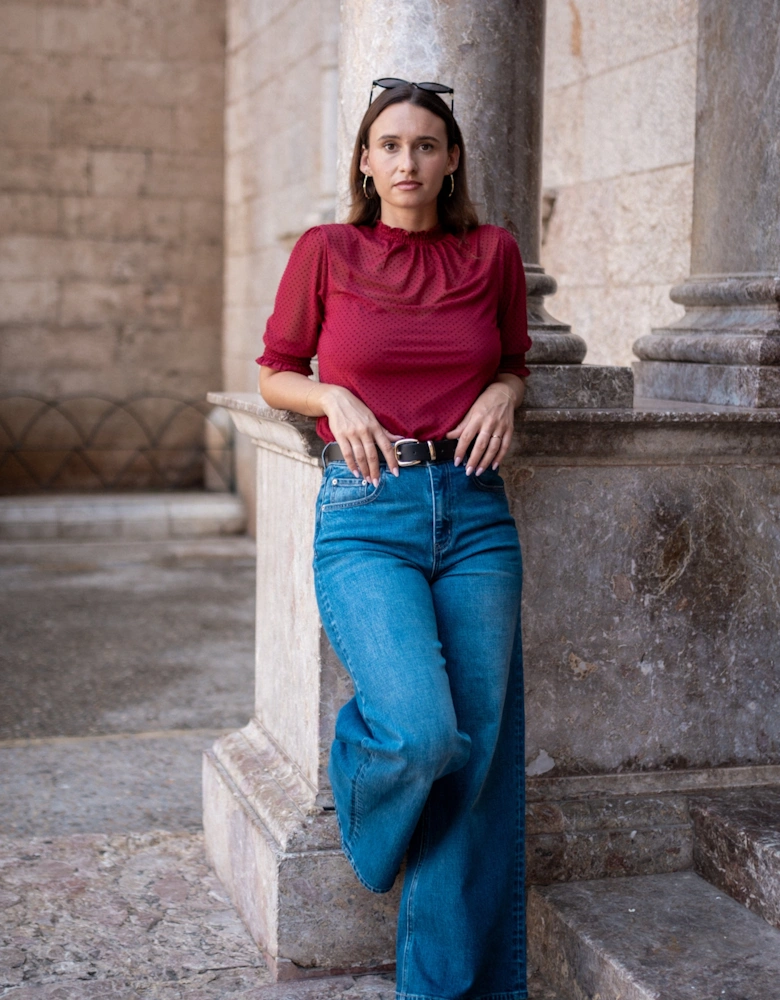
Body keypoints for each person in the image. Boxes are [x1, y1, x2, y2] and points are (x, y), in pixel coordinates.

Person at [258, 78, 531, 1000]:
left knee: (479, 763)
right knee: (423, 734)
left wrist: (504, 391)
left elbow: (514, 361)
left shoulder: (492, 253)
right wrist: (333, 396)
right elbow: (274, 374)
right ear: (366, 163)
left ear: (451, 160)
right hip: (368, 511)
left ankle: (446, 990)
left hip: (477, 514)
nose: (407, 162)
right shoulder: (328, 251)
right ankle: (360, 776)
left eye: (426, 145)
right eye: (390, 145)